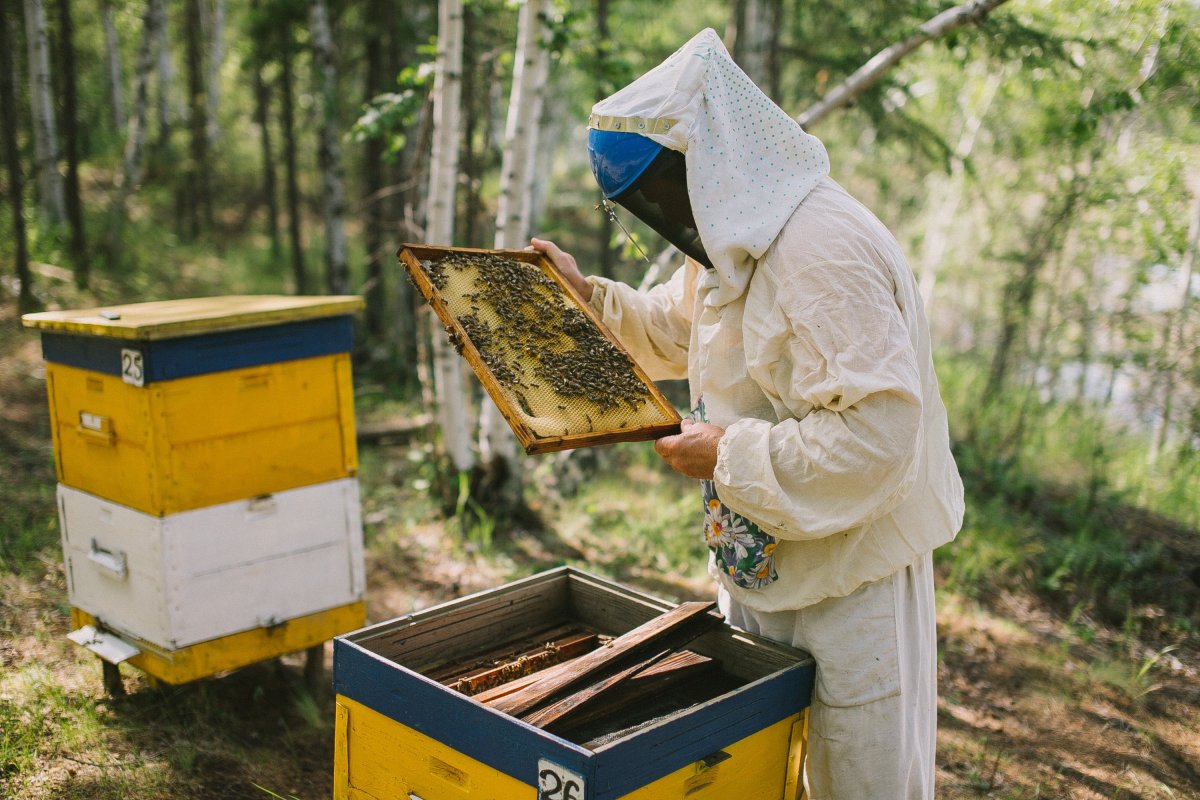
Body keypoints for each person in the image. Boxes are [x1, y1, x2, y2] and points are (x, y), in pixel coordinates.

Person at [531, 28, 964, 800]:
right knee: (766, 773)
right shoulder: (739, 235)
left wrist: (727, 453)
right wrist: (586, 296)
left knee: (854, 780)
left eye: (663, 194)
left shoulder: (822, 252)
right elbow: (674, 326)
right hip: (770, 563)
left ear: (712, 159)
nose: (665, 217)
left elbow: (880, 434)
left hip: (849, 580)